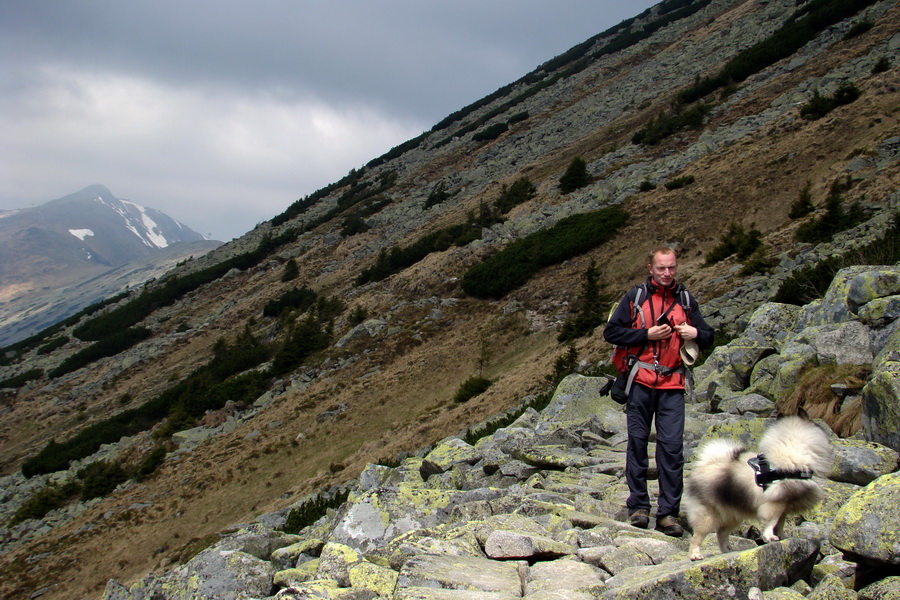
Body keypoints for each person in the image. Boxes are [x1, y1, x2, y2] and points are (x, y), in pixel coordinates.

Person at [602, 246, 714, 537]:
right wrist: (646, 335)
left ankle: (667, 514)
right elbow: (611, 332)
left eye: (672, 268)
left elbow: (709, 335)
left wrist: (696, 333)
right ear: (649, 268)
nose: (667, 274)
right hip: (640, 381)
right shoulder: (636, 297)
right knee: (637, 445)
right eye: (661, 268)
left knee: (672, 450)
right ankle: (638, 506)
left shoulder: (686, 300)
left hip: (673, 385)